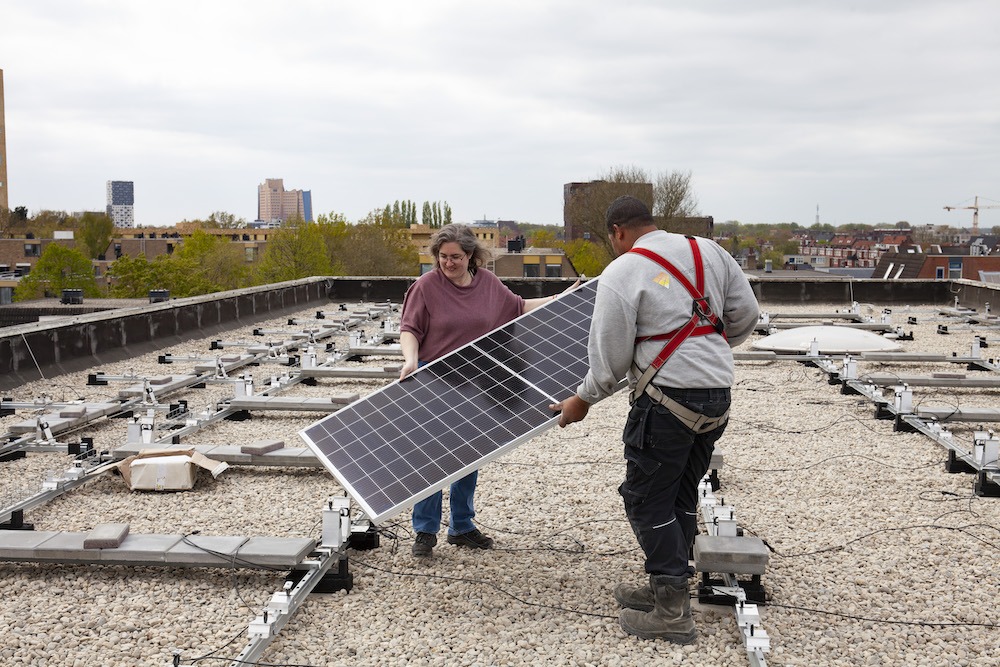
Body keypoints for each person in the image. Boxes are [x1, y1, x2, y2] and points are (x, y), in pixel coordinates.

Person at [549, 196, 759, 643]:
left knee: (645, 499)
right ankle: (669, 586)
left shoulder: (624, 270)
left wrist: (581, 401)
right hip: (716, 396)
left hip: (667, 402)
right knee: (681, 494)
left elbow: (608, 361)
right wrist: (711, 352)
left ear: (617, 232)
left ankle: (671, 612)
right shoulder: (709, 251)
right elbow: (746, 316)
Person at [400, 223, 575, 558]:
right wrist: (410, 360)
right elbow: (410, 328)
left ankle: (462, 526)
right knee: (432, 455)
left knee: (469, 453)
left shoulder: (488, 284)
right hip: (434, 378)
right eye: (442, 257)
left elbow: (519, 307)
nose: (448, 263)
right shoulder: (425, 287)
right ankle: (425, 531)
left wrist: (561, 298)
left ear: (471, 256)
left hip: (475, 380)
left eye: (455, 257)